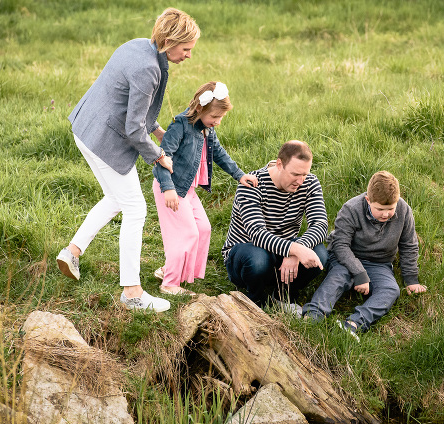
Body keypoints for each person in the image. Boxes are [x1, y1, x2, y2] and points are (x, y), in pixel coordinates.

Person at [55, 8, 200, 312]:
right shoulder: (148, 69)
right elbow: (133, 128)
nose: (188, 56)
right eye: (186, 49)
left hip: (86, 128)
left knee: (116, 197)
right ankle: (132, 292)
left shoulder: (137, 46)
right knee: (136, 208)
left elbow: (132, 108)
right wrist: (159, 156)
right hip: (104, 141)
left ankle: (72, 251)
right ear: (171, 41)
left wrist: (159, 132)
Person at [152, 81, 258, 296]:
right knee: (186, 233)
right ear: (200, 109)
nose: (217, 122)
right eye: (214, 117)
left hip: (187, 190)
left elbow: (218, 153)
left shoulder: (207, 129)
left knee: (203, 229)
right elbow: (162, 157)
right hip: (172, 188)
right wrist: (168, 187)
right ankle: (170, 284)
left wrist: (239, 175)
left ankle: (173, 270)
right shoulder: (179, 125)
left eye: (220, 118)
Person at [301, 171, 426, 339]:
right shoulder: (351, 208)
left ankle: (354, 324)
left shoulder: (404, 210)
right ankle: (314, 315)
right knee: (338, 278)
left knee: (391, 290)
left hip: (379, 263)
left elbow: (409, 245)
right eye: (380, 209)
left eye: (390, 209)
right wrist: (360, 274)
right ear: (368, 200)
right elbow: (340, 245)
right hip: (345, 258)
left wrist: (411, 279)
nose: (385, 214)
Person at [222, 140, 328, 310]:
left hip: (283, 256)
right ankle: (256, 301)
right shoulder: (252, 184)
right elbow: (257, 234)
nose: (300, 181)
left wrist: (297, 249)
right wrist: (294, 250)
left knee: (320, 254)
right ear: (279, 164)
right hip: (247, 254)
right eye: (295, 174)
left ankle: (283, 296)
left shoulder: (310, 183)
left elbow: (320, 224)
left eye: (305, 174)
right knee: (258, 260)